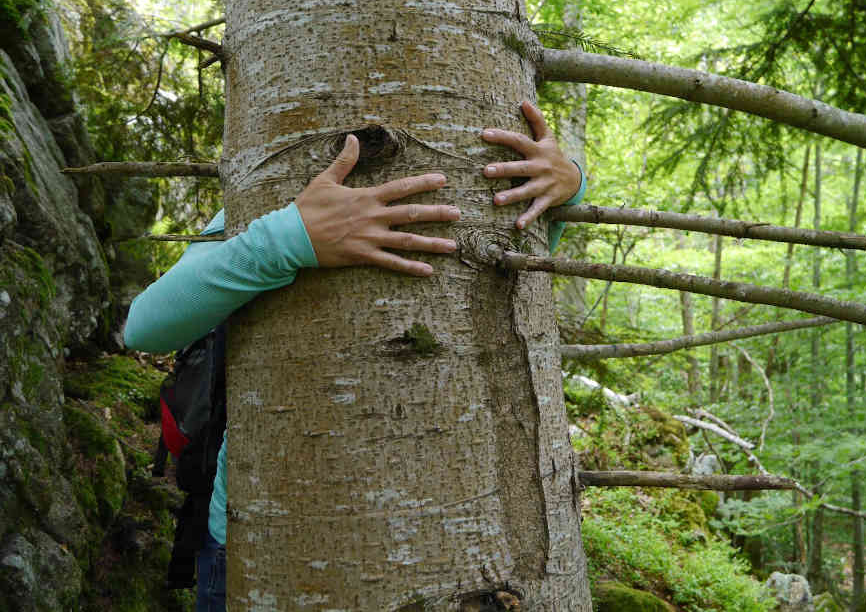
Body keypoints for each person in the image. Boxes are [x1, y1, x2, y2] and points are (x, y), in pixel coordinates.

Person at [125, 101, 586, 611]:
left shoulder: (483, 178)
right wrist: (288, 239)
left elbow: (520, 282)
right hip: (266, 547)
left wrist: (570, 183)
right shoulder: (272, 195)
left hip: (483, 558)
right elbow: (146, 326)